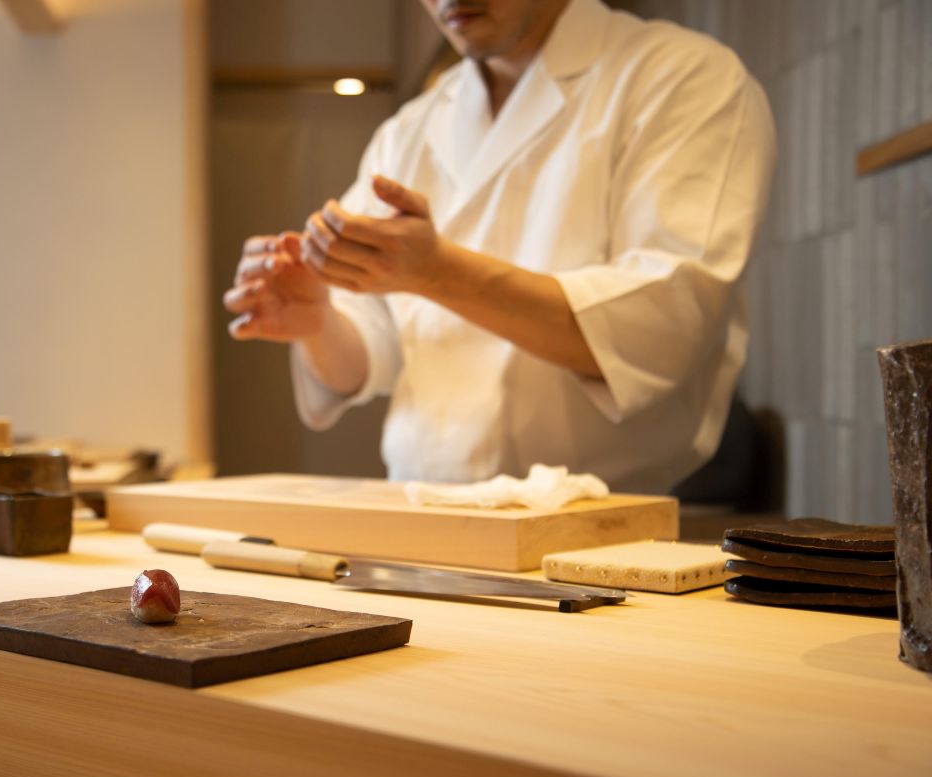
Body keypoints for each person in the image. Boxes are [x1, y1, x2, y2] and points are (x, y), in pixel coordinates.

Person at [222, 0, 776, 493]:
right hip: (421, 513)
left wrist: (438, 273)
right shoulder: (409, 130)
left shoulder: (681, 78)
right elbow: (372, 347)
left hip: (612, 522)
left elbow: (664, 323)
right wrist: (316, 320)